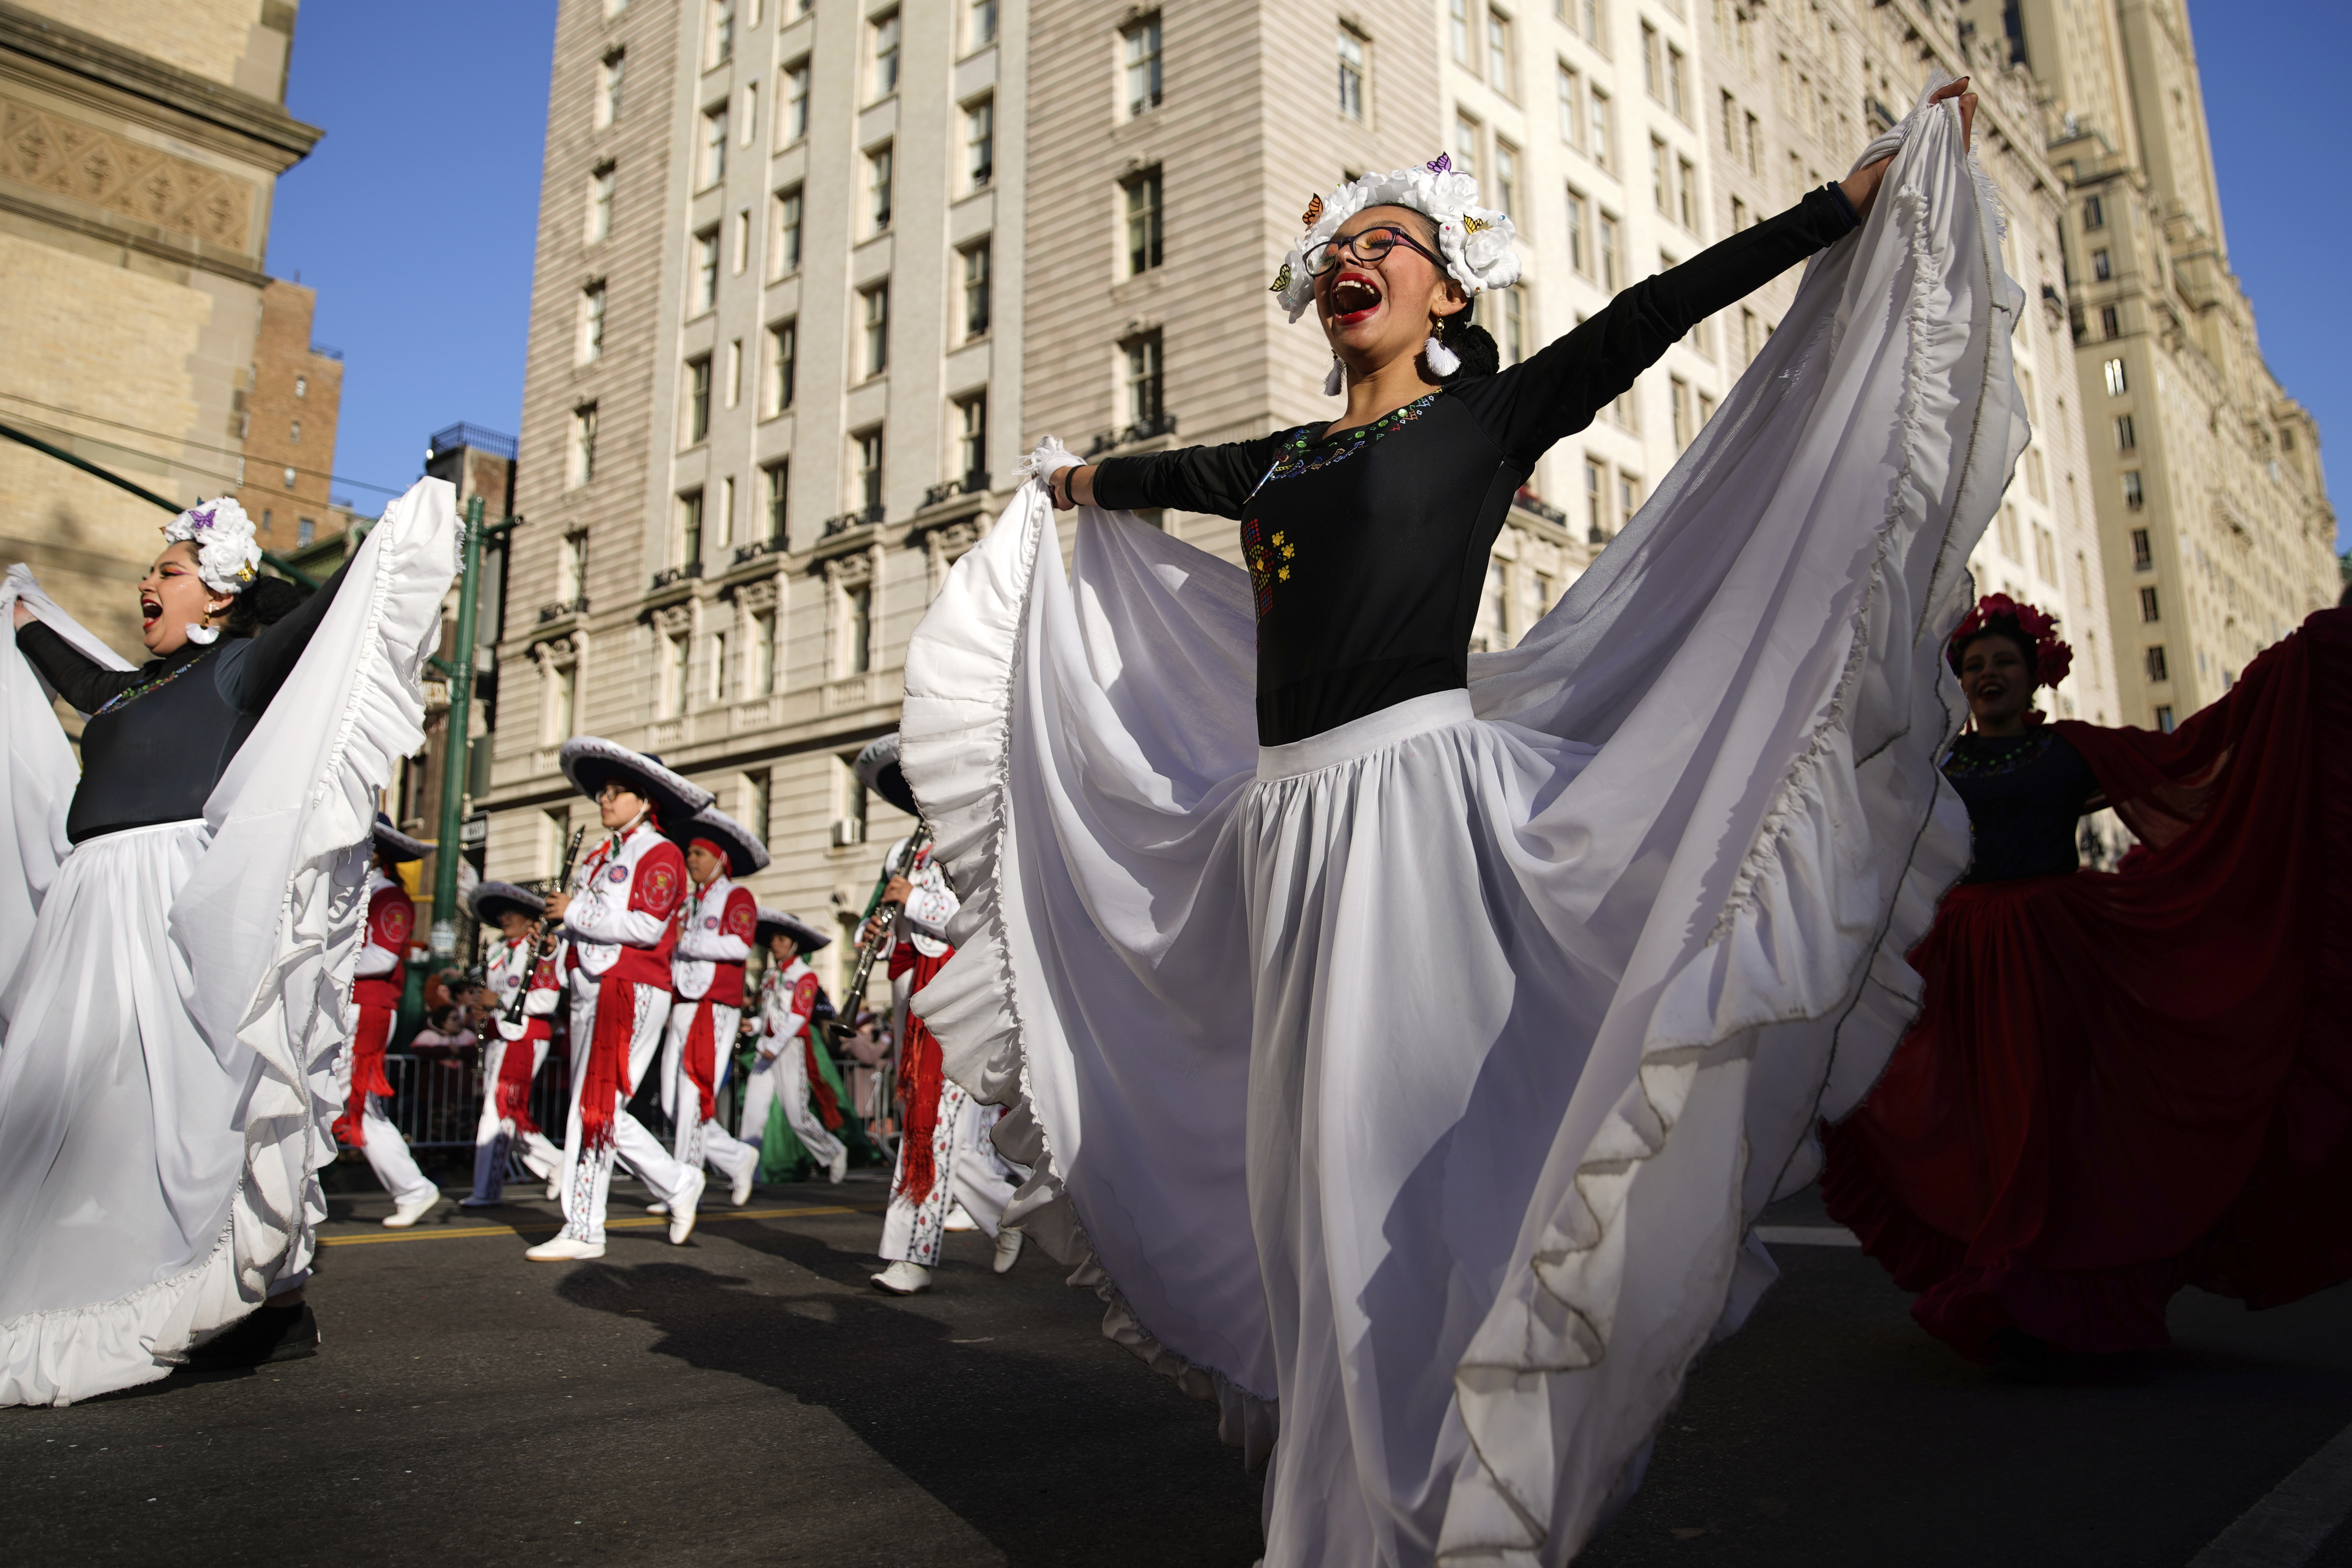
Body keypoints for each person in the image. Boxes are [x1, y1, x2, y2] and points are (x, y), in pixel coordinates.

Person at [899, 82, 2013, 1560]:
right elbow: (1133, 482)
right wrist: (1068, 481)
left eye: (1389, 239)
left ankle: (1423, 1508)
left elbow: (1655, 312)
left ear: (1442, 288)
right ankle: (1341, 1493)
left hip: (1408, 815)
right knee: (1305, 1189)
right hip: (1281, 835)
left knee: (1396, 1171)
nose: (1352, 258)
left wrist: (1836, 210)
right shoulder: (1278, 464)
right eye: (1339, 244)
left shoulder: (1486, 413)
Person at [0, 482, 455, 1403]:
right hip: (86, 911)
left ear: (215, 591)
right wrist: (22, 617)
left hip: (166, 904)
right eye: (148, 571)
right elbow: (73, 676)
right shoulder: (129, 687)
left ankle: (237, 1296)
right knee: (51, 1104)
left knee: (174, 1112)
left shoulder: (239, 668)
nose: (145, 584)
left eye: (165, 569)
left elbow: (328, 617)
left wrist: (387, 537)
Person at [1820, 595, 2352, 1363]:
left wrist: (2288, 673)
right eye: (1974, 666)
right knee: (1969, 1109)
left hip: (2050, 950)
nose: (1988, 674)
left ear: (2035, 674)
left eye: (2003, 661)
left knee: (2045, 1109)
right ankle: (2001, 1271)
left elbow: (2191, 756)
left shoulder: (2069, 751)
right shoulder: (1936, 764)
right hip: (1958, 952)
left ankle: (2038, 1278)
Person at [526, 738, 711, 1261]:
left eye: (616, 792)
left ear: (645, 800)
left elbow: (647, 927)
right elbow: (582, 922)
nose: (604, 800)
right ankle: (677, 1183)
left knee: (597, 1107)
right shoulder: (596, 856)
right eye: (602, 793)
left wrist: (573, 914)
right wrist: (556, 932)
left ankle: (584, 1227)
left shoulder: (661, 853)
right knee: (600, 1107)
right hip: (591, 986)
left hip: (631, 988)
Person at [854, 734, 1023, 1295]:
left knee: (930, 1126)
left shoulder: (979, 841)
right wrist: (874, 933)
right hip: (912, 1003)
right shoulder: (901, 852)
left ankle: (912, 1256)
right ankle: (1005, 1211)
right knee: (930, 1125)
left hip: (959, 998)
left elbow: (979, 917)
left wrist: (914, 903)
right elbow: (884, 926)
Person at [332, 816, 445, 1229]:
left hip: (367, 1008)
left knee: (342, 1097)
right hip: (352, 1006)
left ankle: (413, 1187)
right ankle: (412, 1187)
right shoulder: (354, 893)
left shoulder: (389, 896)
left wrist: (324, 964)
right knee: (357, 1106)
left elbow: (381, 958)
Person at [655, 806, 770, 1207]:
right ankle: (737, 1157)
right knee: (672, 1100)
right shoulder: (688, 902)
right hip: (684, 1003)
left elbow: (738, 944)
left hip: (716, 1005)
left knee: (691, 1096)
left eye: (698, 854)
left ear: (719, 859)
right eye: (688, 854)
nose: (690, 860)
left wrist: (686, 941)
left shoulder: (737, 896)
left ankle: (683, 1185)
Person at [462, 880, 567, 1208]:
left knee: (500, 1110)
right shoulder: (496, 951)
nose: (505, 918)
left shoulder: (542, 945)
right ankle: (557, 1164)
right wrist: (482, 1006)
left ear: (527, 916)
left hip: (525, 1037)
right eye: (501, 913)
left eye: (512, 912)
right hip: (499, 1036)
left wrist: (500, 1000)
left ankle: (486, 1189)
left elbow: (547, 999)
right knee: (504, 1112)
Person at [735, 908, 850, 1188]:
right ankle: (746, 1175)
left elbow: (799, 1016)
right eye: (773, 940)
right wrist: (754, 1025)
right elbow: (770, 1017)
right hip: (768, 1048)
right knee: (752, 1112)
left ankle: (833, 1151)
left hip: (790, 1048)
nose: (775, 945)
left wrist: (774, 1043)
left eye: (782, 940)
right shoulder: (771, 976)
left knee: (797, 1115)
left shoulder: (805, 976)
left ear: (795, 945)